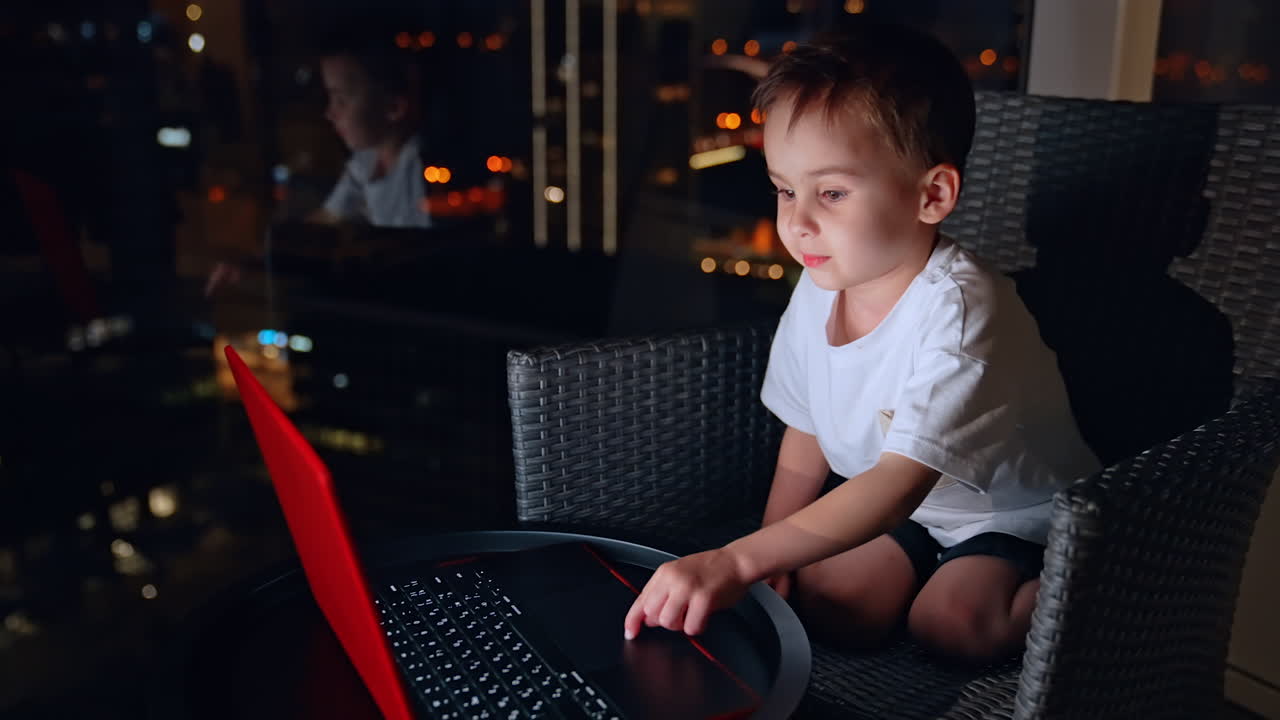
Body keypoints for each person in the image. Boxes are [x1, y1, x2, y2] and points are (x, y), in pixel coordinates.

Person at [622, 23, 1100, 662]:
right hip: (913, 511)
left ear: (931, 195)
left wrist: (736, 561)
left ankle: (1088, 582)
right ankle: (924, 572)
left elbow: (899, 481)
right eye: (785, 190)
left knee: (951, 625)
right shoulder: (825, 280)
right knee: (827, 604)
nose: (797, 221)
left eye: (832, 193)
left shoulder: (959, 312)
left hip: (1008, 512)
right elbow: (807, 430)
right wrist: (770, 552)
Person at [311, 26, 432, 229]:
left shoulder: (418, 170)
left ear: (393, 107)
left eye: (340, 100)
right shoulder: (366, 162)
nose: (330, 113)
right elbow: (326, 219)